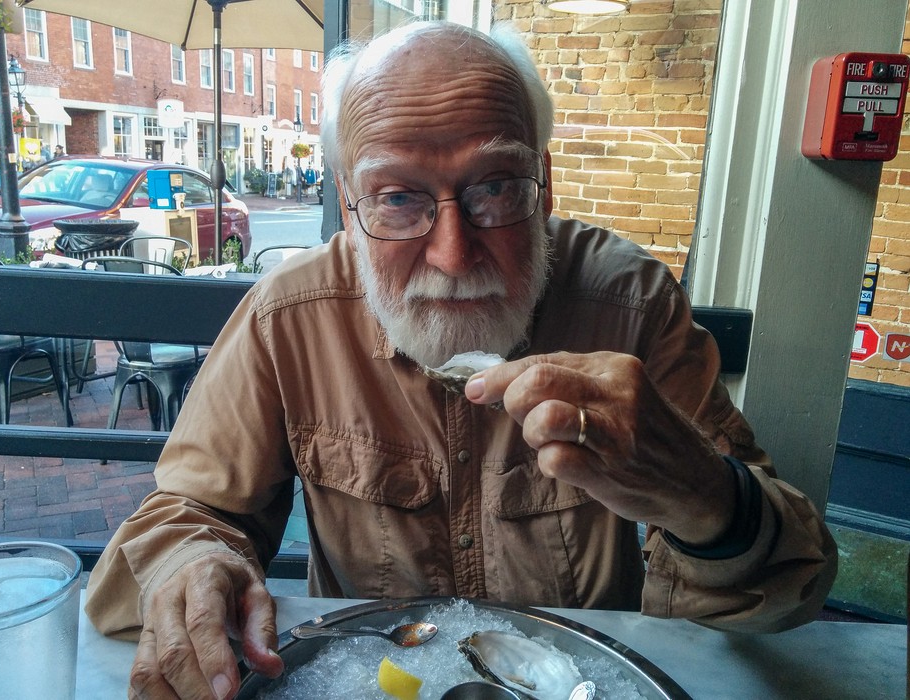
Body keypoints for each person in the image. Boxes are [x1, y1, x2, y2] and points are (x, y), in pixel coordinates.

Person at [86, 20, 837, 699]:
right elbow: (188, 511)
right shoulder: (289, 314)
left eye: (496, 188)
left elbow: (792, 591)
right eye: (398, 198)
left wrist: (709, 497)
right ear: (349, 204)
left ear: (544, 186)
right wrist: (191, 566)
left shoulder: (630, 305)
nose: (451, 252)